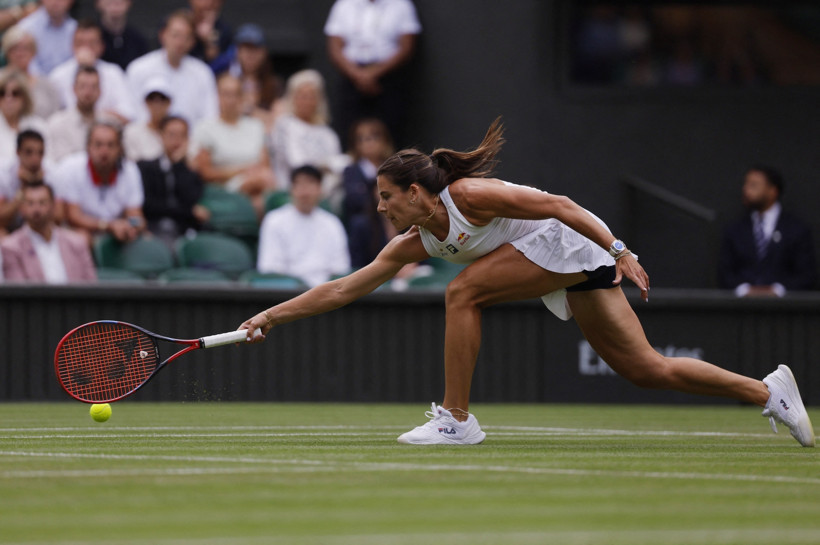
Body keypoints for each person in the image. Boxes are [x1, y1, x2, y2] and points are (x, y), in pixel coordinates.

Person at [239, 119, 815, 448]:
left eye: (387, 196)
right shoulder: (411, 243)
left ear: (417, 192)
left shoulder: (468, 196)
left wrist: (621, 249)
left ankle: (458, 421)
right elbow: (342, 289)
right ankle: (769, 392)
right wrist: (270, 315)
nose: (383, 207)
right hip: (565, 266)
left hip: (570, 246)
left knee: (461, 291)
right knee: (647, 369)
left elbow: (559, 204)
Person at [324, 0, 421, 147]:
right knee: (348, 130)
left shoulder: (401, 5)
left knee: (393, 129)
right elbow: (335, 47)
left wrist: (374, 74)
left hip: (389, 78)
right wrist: (358, 75)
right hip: (351, 79)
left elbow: (406, 46)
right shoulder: (343, 5)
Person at [718, 165, 817, 296]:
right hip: (741, 310)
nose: (746, 190)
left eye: (753, 185)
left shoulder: (797, 229)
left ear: (772, 191)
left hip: (786, 311)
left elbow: (806, 275)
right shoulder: (734, 229)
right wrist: (745, 290)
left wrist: (777, 291)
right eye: (745, 184)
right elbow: (725, 273)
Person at [190, 73, 274, 215]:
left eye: (236, 94)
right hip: (223, 188)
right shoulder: (204, 128)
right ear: (217, 97)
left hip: (258, 186)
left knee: (260, 202)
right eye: (226, 94)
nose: (231, 100)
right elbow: (205, 173)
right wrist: (240, 171)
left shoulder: (256, 126)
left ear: (242, 97)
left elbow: (265, 165)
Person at [256, 164, 350, 287]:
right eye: (299, 184)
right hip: (286, 295)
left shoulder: (333, 223)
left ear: (320, 189)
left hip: (326, 295)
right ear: (291, 189)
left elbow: (340, 270)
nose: (304, 191)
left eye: (310, 184)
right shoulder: (274, 220)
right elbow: (270, 269)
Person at [125, 9, 218, 126]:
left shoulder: (202, 73)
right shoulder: (138, 68)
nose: (180, 42)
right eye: (175, 35)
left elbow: (209, 116)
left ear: (193, 42)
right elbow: (132, 113)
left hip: (191, 141)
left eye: (186, 37)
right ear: (163, 35)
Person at [58, 120, 144, 244]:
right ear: (88, 147)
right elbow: (73, 217)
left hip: (118, 233)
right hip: (84, 231)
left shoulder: (130, 170)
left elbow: (136, 216)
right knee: (81, 238)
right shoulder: (71, 168)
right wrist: (109, 226)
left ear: (120, 148)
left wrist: (131, 225)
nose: (104, 151)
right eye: (98, 145)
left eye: (110, 145)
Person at [1, 181, 96, 282]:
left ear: (53, 205)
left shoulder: (76, 243)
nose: (36, 209)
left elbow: (91, 285)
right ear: (21, 208)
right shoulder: (11, 247)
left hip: (75, 297)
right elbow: (17, 291)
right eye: (30, 203)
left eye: (42, 202)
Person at [269, 69, 346, 194]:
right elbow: (297, 164)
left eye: (311, 96)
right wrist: (326, 166)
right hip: (290, 191)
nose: (307, 101)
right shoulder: (284, 125)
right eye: (302, 96)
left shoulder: (328, 134)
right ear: (292, 98)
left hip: (325, 193)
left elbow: (339, 169)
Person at [48, 19, 136, 124]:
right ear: (72, 46)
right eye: (80, 43)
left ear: (101, 47)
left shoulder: (113, 73)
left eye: (91, 43)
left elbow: (128, 115)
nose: (85, 48)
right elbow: (52, 118)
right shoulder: (58, 75)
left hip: (104, 131)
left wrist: (92, 116)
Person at [138, 115, 207, 242]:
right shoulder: (145, 168)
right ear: (161, 136)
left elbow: (191, 199)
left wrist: (178, 165)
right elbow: (150, 205)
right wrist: (188, 212)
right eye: (172, 135)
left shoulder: (191, 172)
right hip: (155, 230)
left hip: (185, 231)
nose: (177, 140)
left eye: (182, 136)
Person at [342, 117, 395, 268]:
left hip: (394, 220)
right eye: (363, 139)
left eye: (374, 137)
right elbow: (354, 200)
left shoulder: (394, 169)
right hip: (369, 229)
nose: (370, 143)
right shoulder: (350, 171)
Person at [214, 23, 283, 129]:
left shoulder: (273, 85)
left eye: (255, 49)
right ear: (237, 51)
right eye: (246, 49)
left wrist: (250, 110)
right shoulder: (225, 81)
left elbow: (278, 120)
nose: (250, 55)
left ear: (263, 52)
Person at [0, 25, 63, 119]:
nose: (20, 53)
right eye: (15, 48)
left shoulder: (46, 84)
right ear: (7, 52)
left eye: (25, 48)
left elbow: (56, 114)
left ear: (33, 52)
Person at [0, 128, 55, 234]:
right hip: (11, 230)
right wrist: (23, 188)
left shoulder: (50, 173)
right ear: (17, 152)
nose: (35, 158)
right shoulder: (3, 175)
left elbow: (57, 217)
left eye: (40, 153)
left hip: (40, 229)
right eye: (29, 152)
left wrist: (40, 184)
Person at [45, 64, 100, 163]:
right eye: (83, 86)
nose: (88, 92)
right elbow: (58, 163)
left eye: (93, 87)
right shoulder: (57, 123)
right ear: (74, 89)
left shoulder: (109, 123)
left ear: (100, 91)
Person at [16, 0, 76, 75]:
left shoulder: (76, 29)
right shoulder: (25, 28)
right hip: (34, 83)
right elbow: (25, 65)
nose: (56, 2)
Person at [123, 76, 171, 162]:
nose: (157, 104)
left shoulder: (177, 132)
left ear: (169, 102)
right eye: (152, 99)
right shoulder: (132, 132)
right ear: (145, 102)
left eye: (162, 99)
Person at [0, 69, 46, 159]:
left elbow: (47, 161)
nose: (8, 99)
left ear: (24, 97)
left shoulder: (38, 126)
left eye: (15, 93)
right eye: (2, 93)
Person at [95, 0, 148, 71]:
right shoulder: (88, 37)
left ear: (128, 3)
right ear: (99, 3)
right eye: (109, 2)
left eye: (119, 2)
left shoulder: (138, 39)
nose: (114, 5)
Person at [187, 0, 232, 70]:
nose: (207, 3)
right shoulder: (181, 22)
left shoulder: (222, 28)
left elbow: (215, 59)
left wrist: (208, 39)